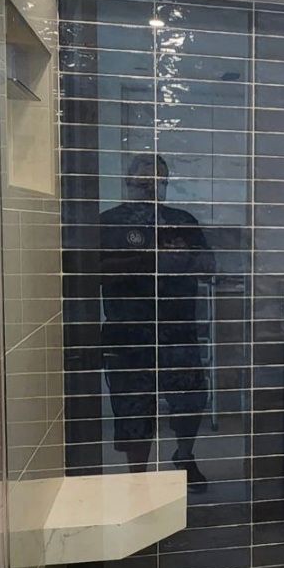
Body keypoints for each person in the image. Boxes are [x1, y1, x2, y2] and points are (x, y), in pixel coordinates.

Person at [98, 153, 214, 485]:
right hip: (129, 336)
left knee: (191, 402)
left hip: (178, 332)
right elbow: (91, 275)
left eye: (159, 182)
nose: (152, 188)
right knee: (134, 412)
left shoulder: (182, 221)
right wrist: (147, 260)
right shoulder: (108, 224)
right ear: (128, 182)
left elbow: (208, 268)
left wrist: (184, 260)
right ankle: (139, 481)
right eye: (144, 181)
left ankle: (185, 456)